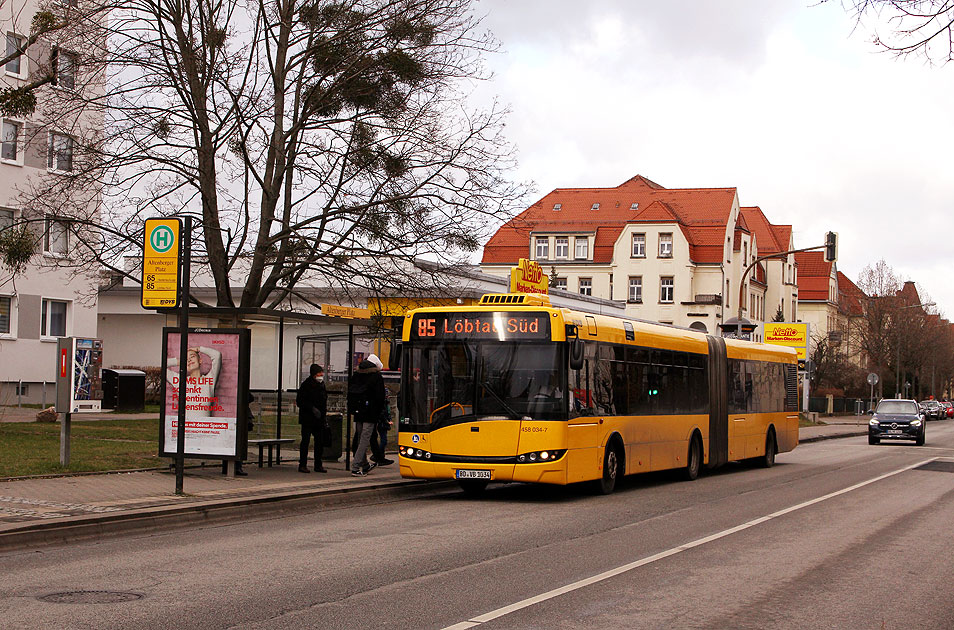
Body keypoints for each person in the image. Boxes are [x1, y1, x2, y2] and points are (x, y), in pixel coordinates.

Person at [348, 354, 386, 476]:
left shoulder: (357, 374)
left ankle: (364, 464)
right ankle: (356, 466)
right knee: (365, 438)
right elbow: (380, 397)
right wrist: (379, 413)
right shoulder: (376, 377)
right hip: (371, 412)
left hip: (358, 411)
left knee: (360, 437)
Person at [297, 364, 328, 473]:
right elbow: (300, 401)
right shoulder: (306, 385)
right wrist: (312, 409)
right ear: (314, 374)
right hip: (308, 418)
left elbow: (324, 401)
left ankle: (318, 464)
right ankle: (302, 464)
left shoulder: (322, 385)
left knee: (319, 442)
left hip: (319, 419)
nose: (321, 375)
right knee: (305, 441)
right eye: (319, 373)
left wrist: (323, 416)